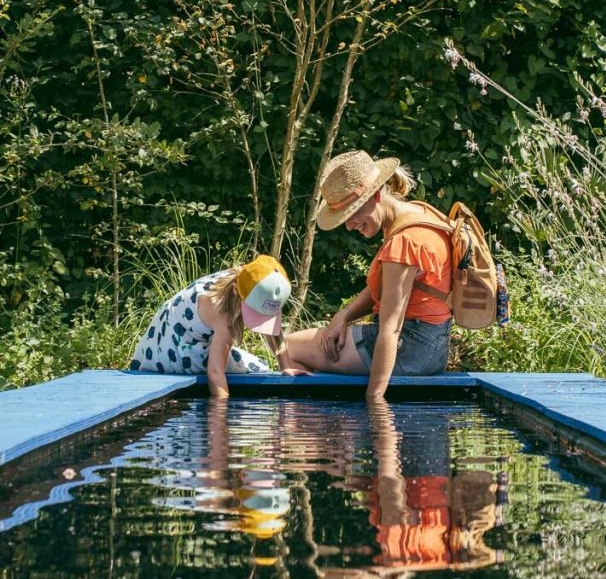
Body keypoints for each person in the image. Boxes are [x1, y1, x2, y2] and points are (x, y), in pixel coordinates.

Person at [285, 150, 454, 398]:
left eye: (351, 213)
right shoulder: (419, 214)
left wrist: (374, 401)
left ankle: (320, 417)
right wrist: (344, 315)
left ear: (375, 196)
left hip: (409, 346)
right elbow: (389, 288)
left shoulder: (403, 242)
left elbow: (390, 330)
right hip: (434, 347)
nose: (349, 225)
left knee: (288, 348)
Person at [130, 254, 293, 397]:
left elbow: (272, 328)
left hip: (175, 328)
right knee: (258, 368)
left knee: (258, 366)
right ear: (236, 291)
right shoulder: (222, 312)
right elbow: (215, 373)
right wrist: (222, 413)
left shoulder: (250, 277)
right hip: (173, 346)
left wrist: (285, 367)